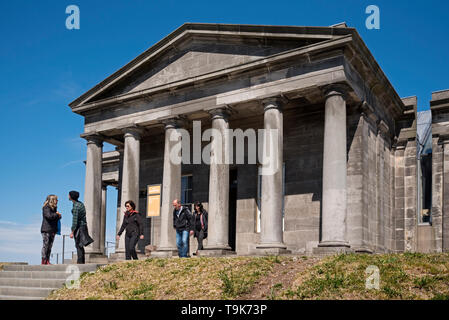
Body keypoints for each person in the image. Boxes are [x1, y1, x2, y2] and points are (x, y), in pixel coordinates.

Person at [69, 190, 91, 264]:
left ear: (71, 196)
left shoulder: (76, 206)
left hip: (79, 227)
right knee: (80, 245)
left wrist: (72, 232)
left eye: (69, 195)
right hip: (83, 226)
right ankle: (81, 262)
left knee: (78, 245)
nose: (68, 196)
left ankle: (80, 262)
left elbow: (75, 221)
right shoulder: (80, 203)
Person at [40, 195, 61, 265]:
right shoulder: (46, 207)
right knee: (46, 245)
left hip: (52, 230)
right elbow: (49, 216)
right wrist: (57, 215)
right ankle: (43, 261)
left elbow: (54, 217)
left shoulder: (54, 208)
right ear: (52, 200)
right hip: (46, 229)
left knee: (50, 246)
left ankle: (47, 260)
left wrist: (58, 216)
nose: (57, 201)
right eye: (56, 200)